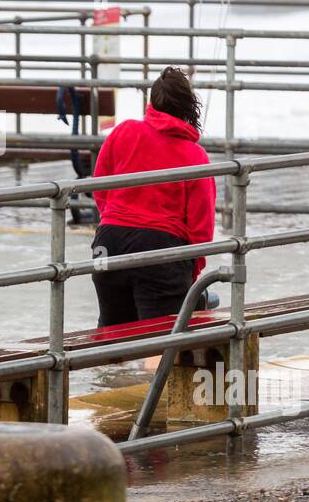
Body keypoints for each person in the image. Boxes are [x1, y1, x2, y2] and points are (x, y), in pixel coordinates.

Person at [89, 66, 216, 328]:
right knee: (158, 337)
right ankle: (153, 369)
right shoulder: (195, 157)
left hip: (108, 242)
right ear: (189, 108)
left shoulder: (124, 132)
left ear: (152, 103)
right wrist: (192, 272)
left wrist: (115, 220)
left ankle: (111, 370)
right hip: (162, 249)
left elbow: (99, 186)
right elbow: (201, 228)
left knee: (113, 331)